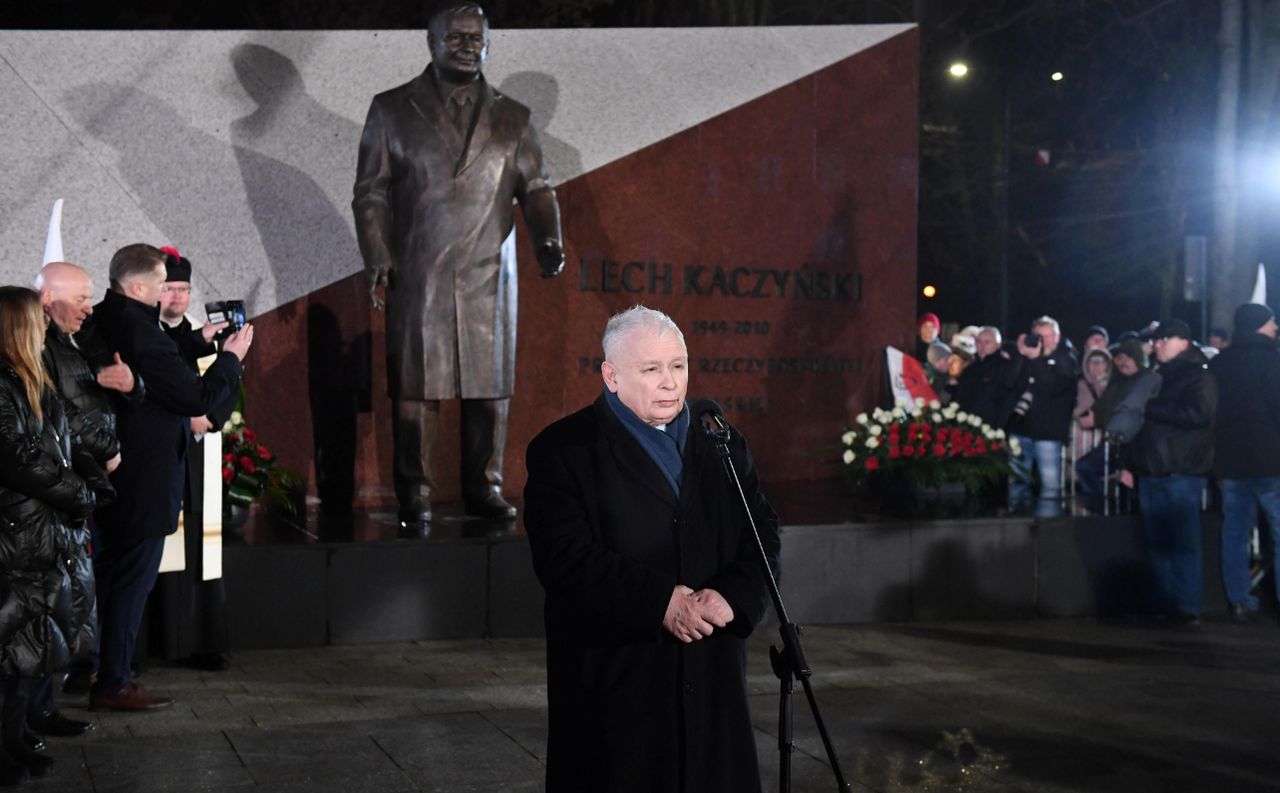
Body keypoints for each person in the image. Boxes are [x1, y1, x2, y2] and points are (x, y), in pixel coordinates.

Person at [523, 306, 779, 793]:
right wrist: (661, 602)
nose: (670, 383)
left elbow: (761, 529)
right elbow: (565, 559)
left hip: (713, 679)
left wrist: (735, 596)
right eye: (652, 369)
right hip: (618, 687)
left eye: (678, 366)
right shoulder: (563, 451)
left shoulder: (720, 440)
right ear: (611, 376)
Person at [353, 2, 566, 536]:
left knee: (488, 388)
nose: (468, 46)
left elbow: (536, 189)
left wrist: (549, 240)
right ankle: (415, 494)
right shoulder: (391, 109)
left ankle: (484, 487)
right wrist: (377, 254)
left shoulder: (514, 117)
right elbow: (370, 192)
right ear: (431, 42)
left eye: (477, 38)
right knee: (416, 389)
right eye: (457, 38)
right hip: (419, 266)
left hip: (490, 269)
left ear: (489, 43)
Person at [83, 243, 252, 711]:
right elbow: (195, 397)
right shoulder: (144, 333)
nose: (167, 294)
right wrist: (231, 358)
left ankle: (98, 666)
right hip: (145, 477)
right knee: (131, 581)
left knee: (109, 575)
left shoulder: (107, 316)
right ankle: (114, 681)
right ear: (139, 286)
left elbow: (155, 365)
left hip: (114, 475)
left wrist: (199, 342)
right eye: (162, 285)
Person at [35, 261, 139, 735]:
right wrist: (107, 449)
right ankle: (31, 713)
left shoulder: (74, 341)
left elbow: (93, 398)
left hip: (77, 490)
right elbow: (59, 416)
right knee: (45, 602)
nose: (87, 307)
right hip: (56, 492)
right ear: (46, 299)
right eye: (79, 298)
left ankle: (41, 707)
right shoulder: (40, 349)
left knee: (63, 602)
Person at [0, 286, 99, 783]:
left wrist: (89, 481)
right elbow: (18, 458)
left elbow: (64, 441)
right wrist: (77, 493)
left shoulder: (33, 380)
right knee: (9, 648)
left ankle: (14, 739)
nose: (45, 327)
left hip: (41, 533)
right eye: (36, 320)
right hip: (15, 532)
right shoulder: (2, 384)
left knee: (29, 648)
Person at [156, 248, 236, 669]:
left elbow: (227, 383)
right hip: (166, 453)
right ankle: (163, 641)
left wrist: (209, 419)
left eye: (183, 288)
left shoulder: (206, 338)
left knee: (202, 547)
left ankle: (203, 641)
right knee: (166, 543)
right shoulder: (150, 339)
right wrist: (187, 418)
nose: (177, 296)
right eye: (169, 288)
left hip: (201, 453)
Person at [1119, 320, 1216, 624]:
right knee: (1158, 542)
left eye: (1165, 339)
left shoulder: (1199, 376)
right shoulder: (1156, 374)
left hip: (1180, 470)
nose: (1157, 344)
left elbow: (1199, 414)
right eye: (1157, 340)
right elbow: (1136, 426)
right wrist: (1129, 463)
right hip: (1151, 470)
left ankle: (1187, 605)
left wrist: (1151, 407)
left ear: (1183, 343)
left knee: (1182, 541)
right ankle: (1167, 602)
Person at [1209, 303, 1280, 624]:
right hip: (1270, 461)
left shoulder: (1220, 363)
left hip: (1231, 462)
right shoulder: (1273, 360)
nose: (1276, 326)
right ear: (1259, 325)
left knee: (1234, 533)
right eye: (1271, 321)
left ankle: (1237, 599)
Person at [1007, 316, 1079, 517]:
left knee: (1049, 486)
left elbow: (1050, 387)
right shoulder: (1028, 358)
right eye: (1038, 336)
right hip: (1021, 429)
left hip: (1048, 431)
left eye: (1046, 336)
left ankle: (1049, 531)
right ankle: (1017, 526)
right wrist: (1021, 355)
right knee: (1016, 482)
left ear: (1057, 337)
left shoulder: (1067, 360)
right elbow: (1011, 383)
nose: (1042, 341)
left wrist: (1037, 359)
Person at [954, 325, 1018, 428]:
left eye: (987, 342)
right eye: (979, 342)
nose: (982, 346)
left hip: (990, 429)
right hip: (967, 428)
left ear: (998, 345)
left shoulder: (1005, 368)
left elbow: (1007, 401)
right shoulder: (969, 369)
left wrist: (998, 427)